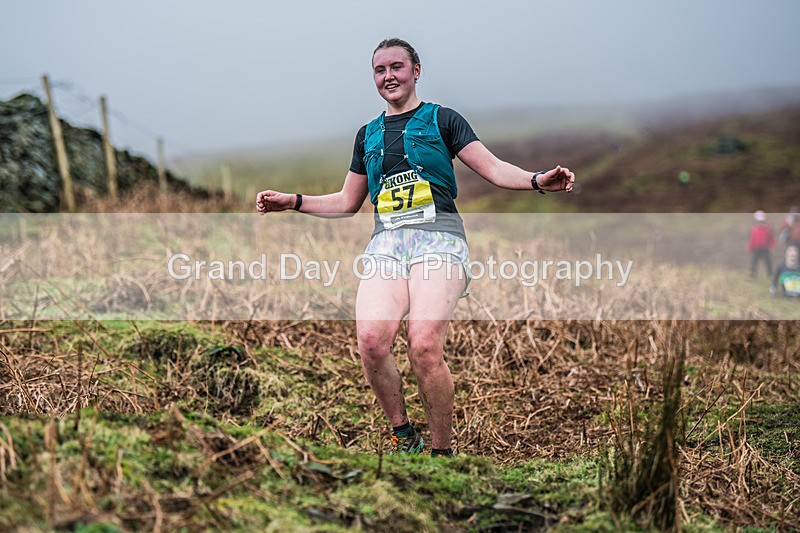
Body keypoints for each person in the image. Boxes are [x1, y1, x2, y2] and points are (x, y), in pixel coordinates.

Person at [256, 38, 575, 457]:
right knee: (371, 340)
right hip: (386, 245)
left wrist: (537, 180)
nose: (388, 76)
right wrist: (293, 202)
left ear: (416, 71)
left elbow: (494, 168)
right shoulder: (367, 135)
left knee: (423, 342)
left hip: (440, 241)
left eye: (397, 67)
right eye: (379, 70)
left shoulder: (444, 119)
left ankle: (442, 455)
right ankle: (403, 434)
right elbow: (347, 202)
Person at [748, 210, 775, 278]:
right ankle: (752, 273)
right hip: (756, 248)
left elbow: (771, 238)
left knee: (768, 261)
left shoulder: (768, 229)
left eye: (761, 221)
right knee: (754, 261)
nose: (760, 223)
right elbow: (752, 239)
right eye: (758, 221)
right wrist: (751, 247)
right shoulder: (754, 229)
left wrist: (772, 245)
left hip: (765, 248)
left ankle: (770, 273)